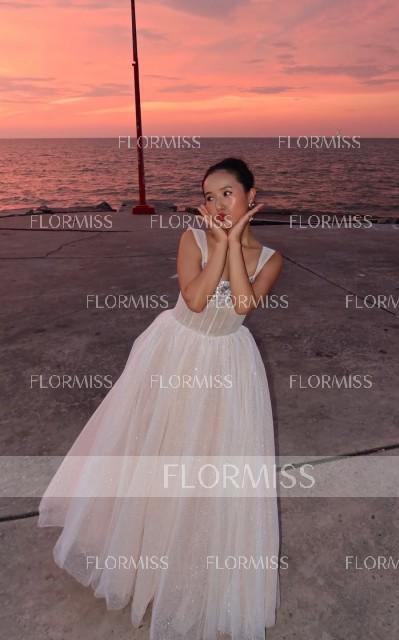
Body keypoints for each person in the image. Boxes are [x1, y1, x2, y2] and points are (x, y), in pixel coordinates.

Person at [38, 157, 284, 640]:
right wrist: (220, 245)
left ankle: (187, 562)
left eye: (228, 193)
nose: (218, 204)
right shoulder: (192, 239)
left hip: (227, 362)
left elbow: (242, 303)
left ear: (251, 197)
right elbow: (195, 299)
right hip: (175, 352)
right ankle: (133, 553)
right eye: (209, 196)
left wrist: (236, 244)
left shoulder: (271, 258)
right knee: (154, 447)